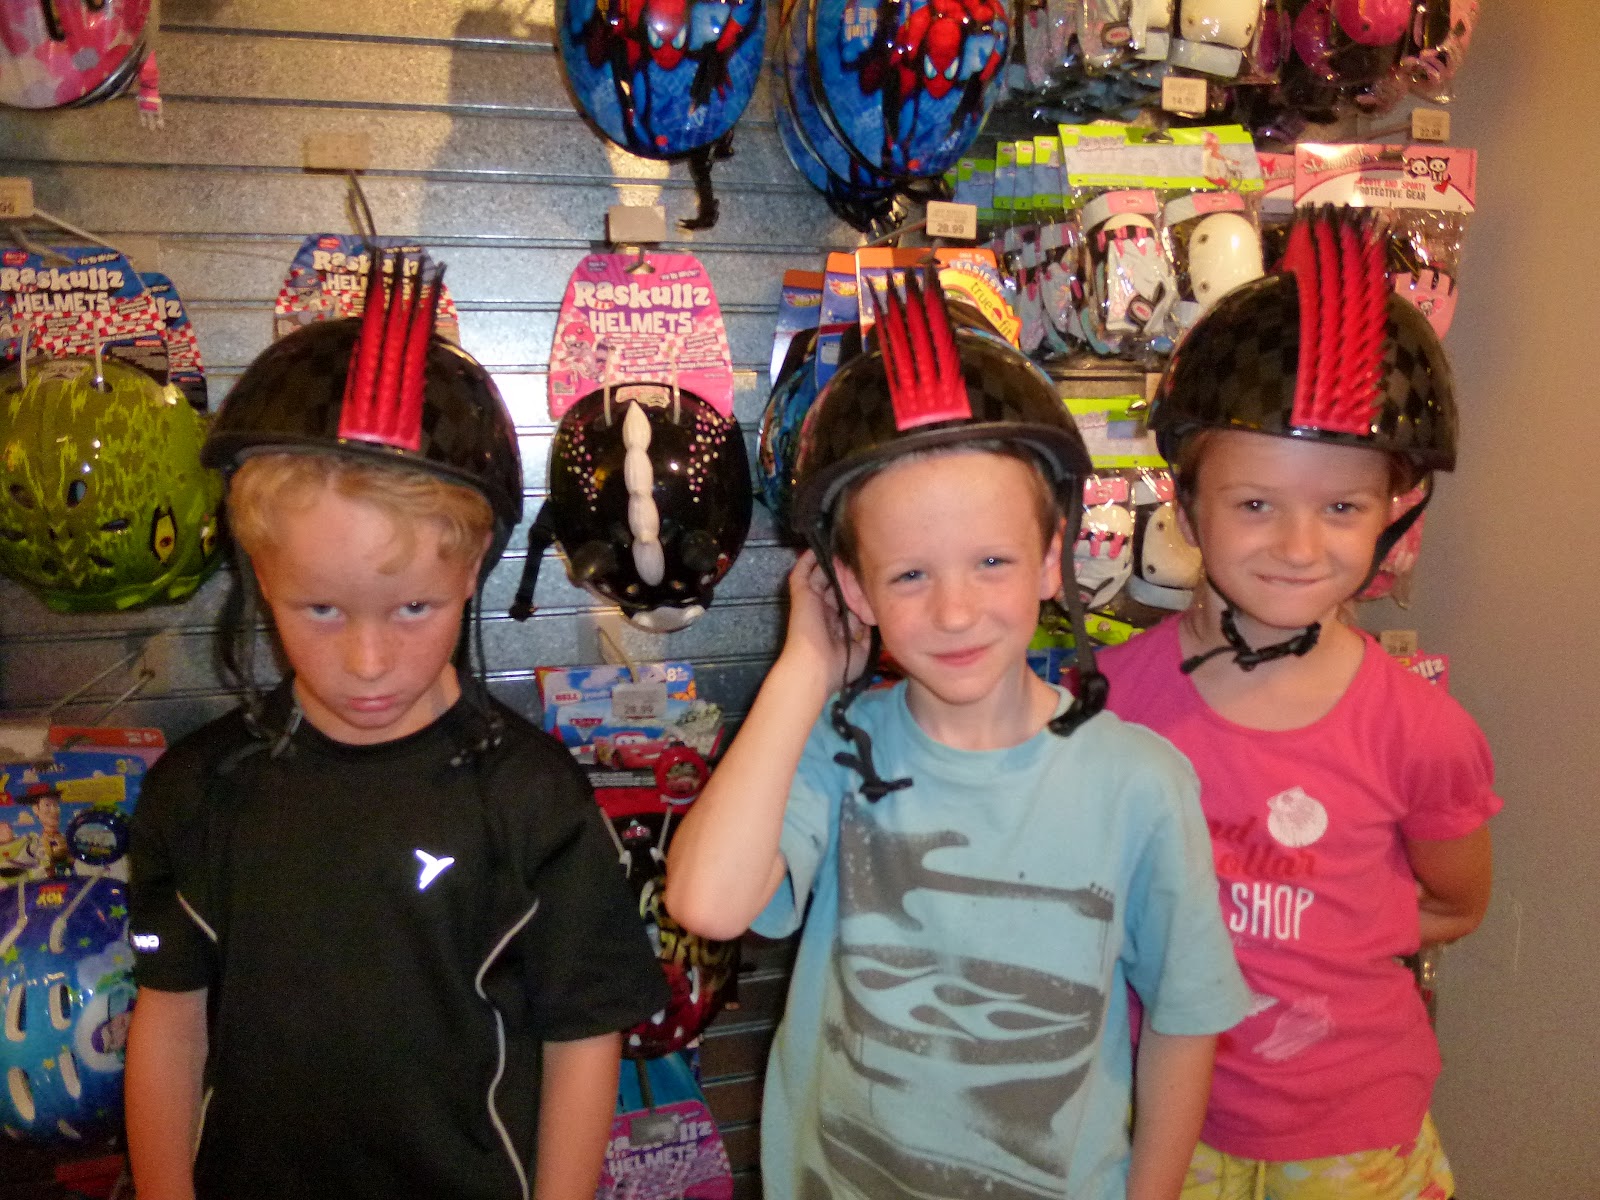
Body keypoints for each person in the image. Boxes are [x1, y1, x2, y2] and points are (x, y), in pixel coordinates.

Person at [666, 271, 1250, 1200]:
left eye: (991, 561)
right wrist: (805, 668)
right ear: (851, 588)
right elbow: (707, 904)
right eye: (909, 575)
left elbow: (1185, 1019)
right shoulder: (838, 747)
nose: (954, 610)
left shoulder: (1140, 781)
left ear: (1052, 557)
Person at [123, 252, 670, 1200]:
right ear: (259, 572)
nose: (368, 662)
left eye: (414, 607)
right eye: (320, 609)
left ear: (474, 568)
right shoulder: (201, 791)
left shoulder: (531, 799)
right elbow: (170, 1023)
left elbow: (584, 1037)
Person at [1097, 208, 1499, 1200]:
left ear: (1393, 513)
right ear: (1187, 504)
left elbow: (1454, 902)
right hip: (1160, 1124)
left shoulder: (1421, 732)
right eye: (1254, 504)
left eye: (1341, 508)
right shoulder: (1109, 700)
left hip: (1351, 1134)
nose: (1298, 546)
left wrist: (1323, 931)